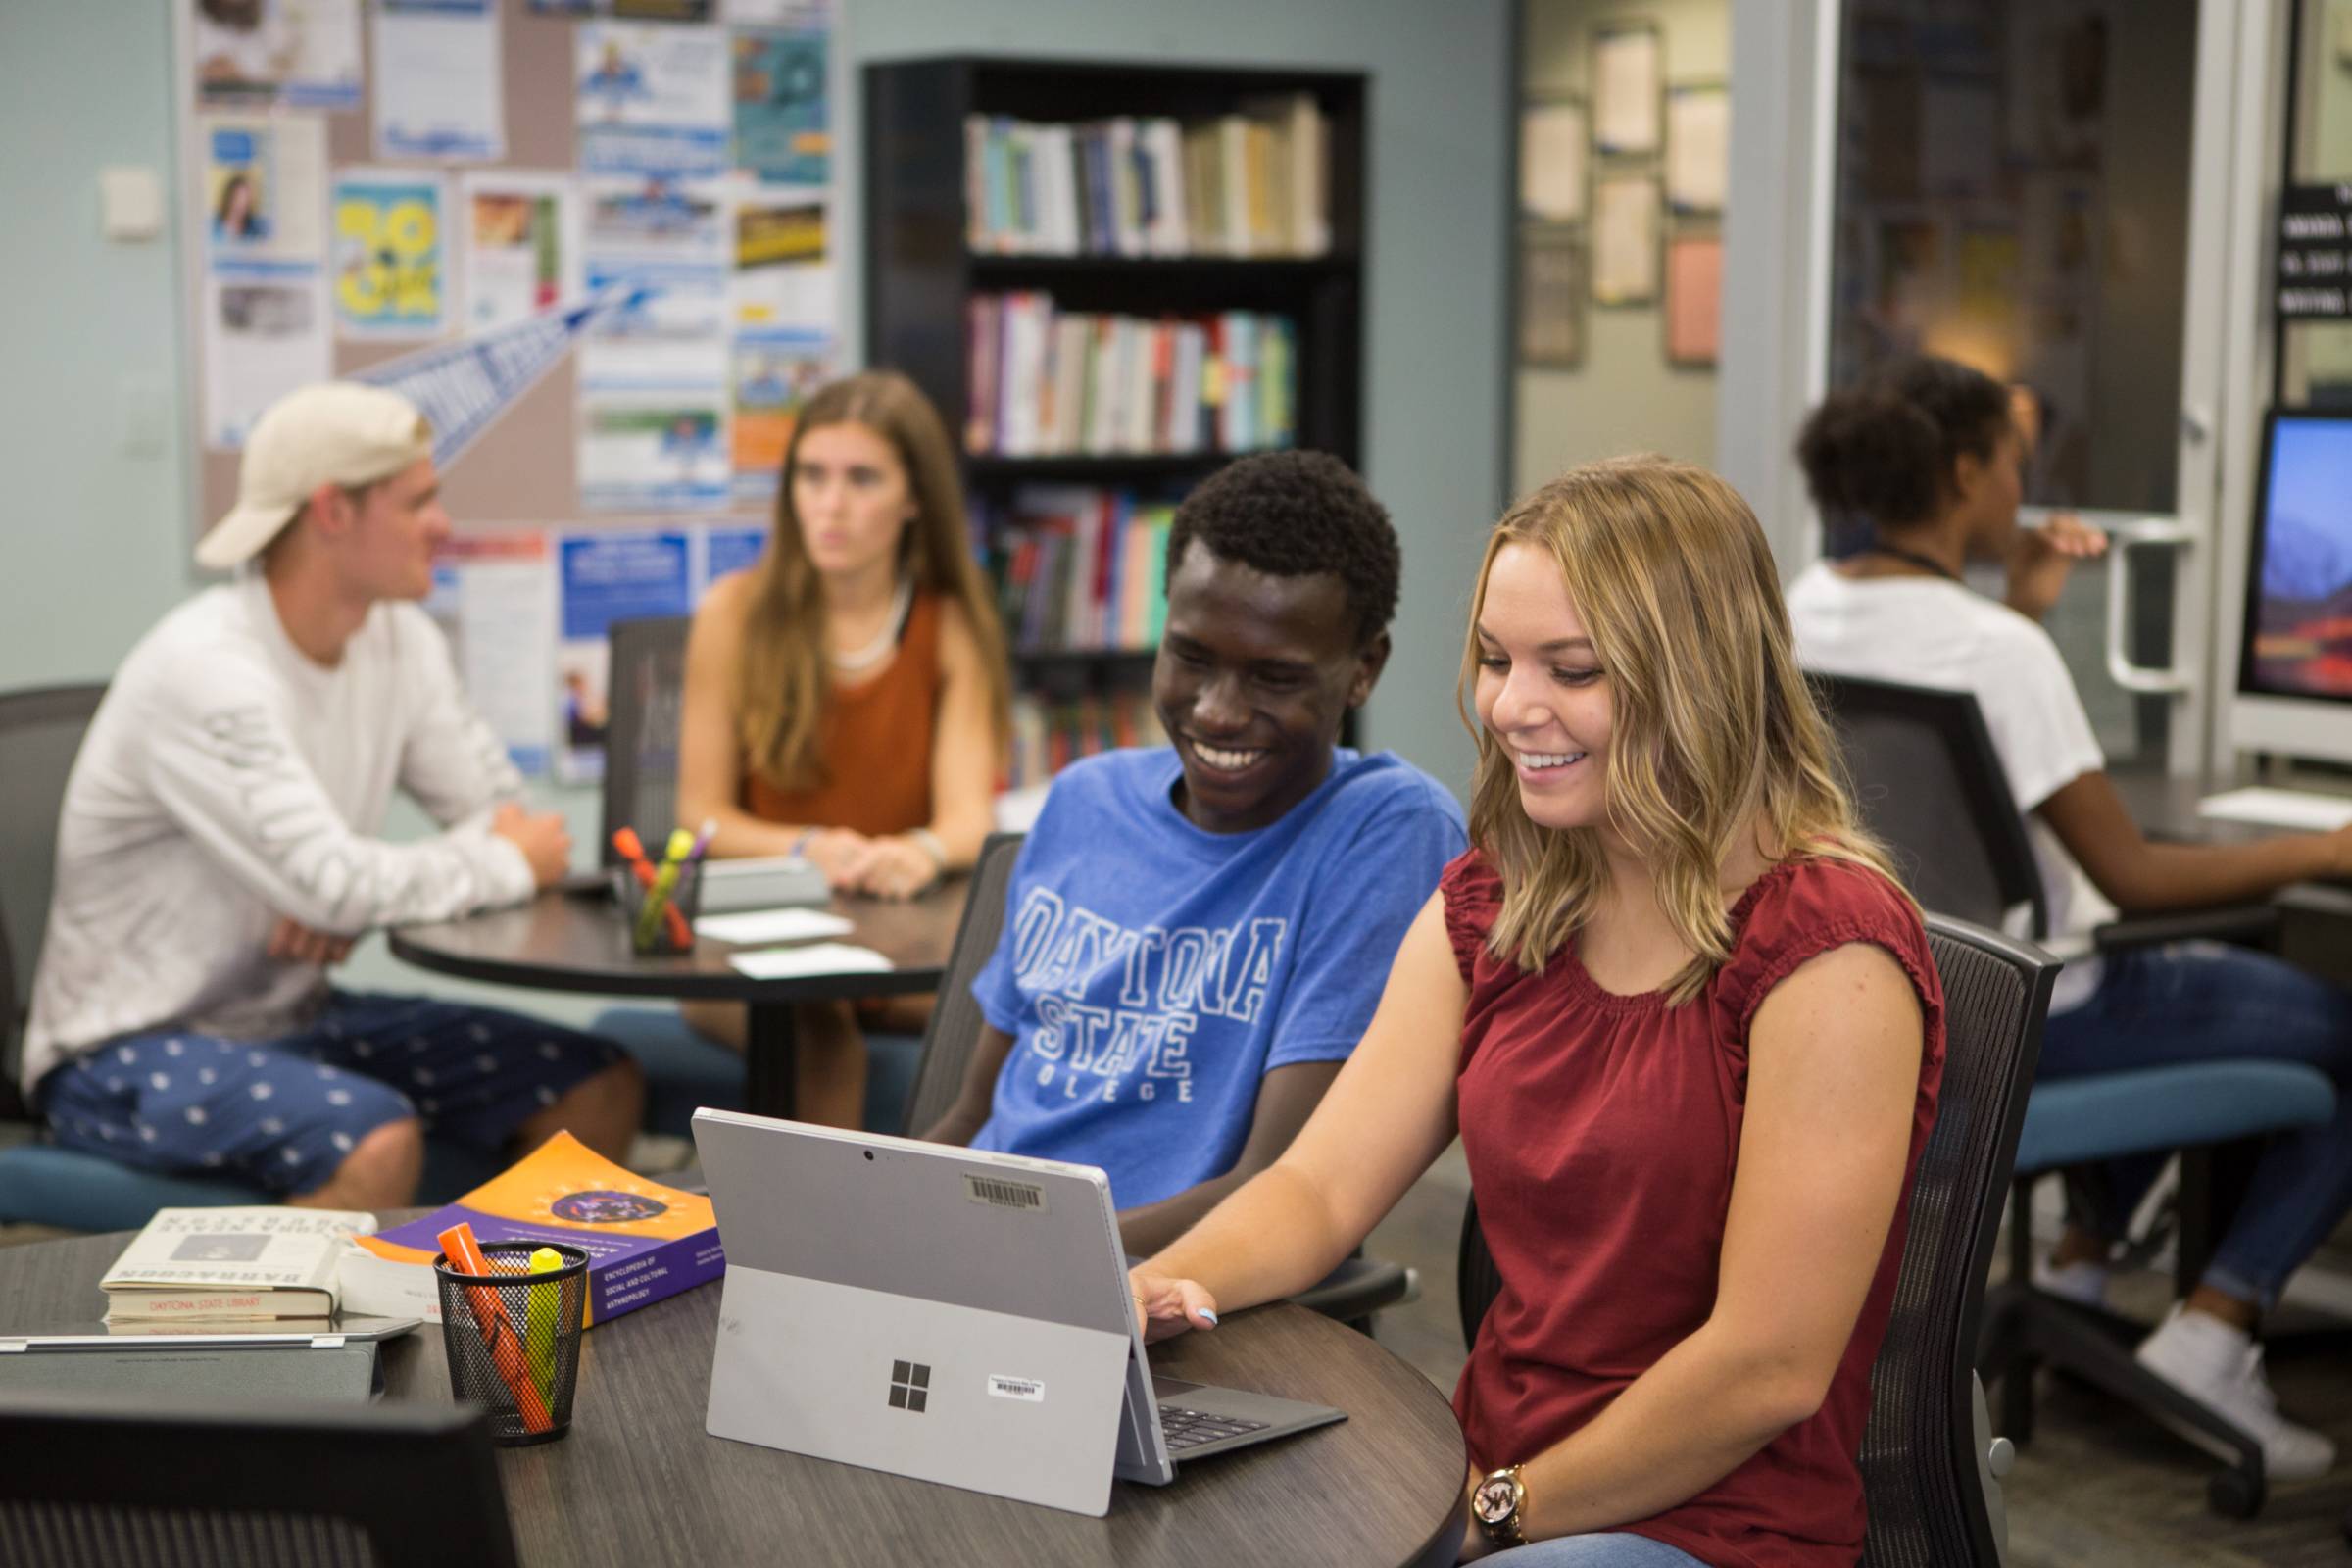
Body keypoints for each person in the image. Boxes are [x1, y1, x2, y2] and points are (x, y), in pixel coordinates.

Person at [1131, 456, 1943, 1565]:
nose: (1513, 707)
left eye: (1574, 669)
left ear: (1699, 675)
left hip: (1704, 1527)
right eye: (1498, 660)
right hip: (1483, 1473)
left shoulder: (1828, 952)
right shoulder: (1499, 897)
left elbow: (1767, 1366)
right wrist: (1160, 1286)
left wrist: (1492, 1513)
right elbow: (1320, 1188)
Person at [1788, 352, 2352, 1481]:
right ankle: (2217, 1328)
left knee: (2187, 979)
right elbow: (2134, 879)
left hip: (1887, 1007)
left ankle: (2088, 1265)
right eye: (2012, 464)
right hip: (2029, 1021)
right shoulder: (2003, 654)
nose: (2022, 492)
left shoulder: (1805, 607)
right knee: (2328, 1025)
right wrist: (2334, 845)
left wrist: (2020, 609)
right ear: (1959, 472)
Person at [24, 382, 644, 1212]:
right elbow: (430, 864)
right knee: (374, 1140)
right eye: (419, 500)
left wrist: (349, 889)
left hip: (292, 1013)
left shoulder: (400, 640)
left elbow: (508, 822)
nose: (442, 524)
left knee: (592, 1084)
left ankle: (488, 1332)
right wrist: (348, 887)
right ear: (332, 513)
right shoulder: (207, 670)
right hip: (122, 1049)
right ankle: (302, 1341)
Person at [919, 449, 1466, 1257]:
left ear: (1364, 671)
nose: (1216, 711)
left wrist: (1027, 1258)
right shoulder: (1084, 798)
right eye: (1192, 657)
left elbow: (1280, 1183)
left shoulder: (1387, 830)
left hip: (1177, 1293)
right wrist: (888, 1224)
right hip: (984, 1259)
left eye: (1274, 677)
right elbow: (974, 1117)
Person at [673, 369, 1013, 1127]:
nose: (830, 504)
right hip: (757, 945)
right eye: (812, 475)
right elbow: (700, 815)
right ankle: (808, 1251)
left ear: (914, 499)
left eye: (862, 479)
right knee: (825, 1049)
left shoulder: (951, 621)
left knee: (1016, 1025)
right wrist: (807, 846)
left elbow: (968, 818)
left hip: (894, 935)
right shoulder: (734, 612)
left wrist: (919, 851)